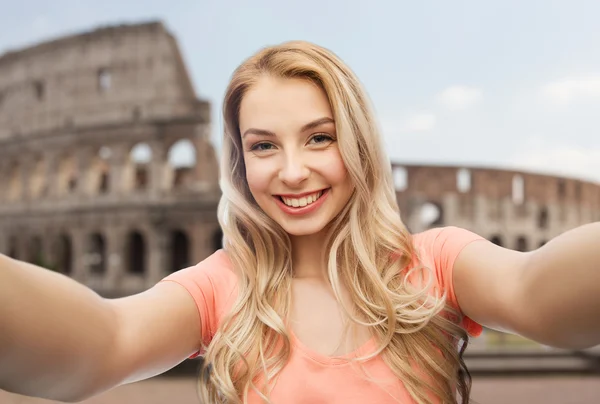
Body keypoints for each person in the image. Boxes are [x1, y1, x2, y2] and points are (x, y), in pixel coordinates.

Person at [1, 41, 599, 404]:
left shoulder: (435, 262)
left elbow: (537, 296)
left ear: (360, 143)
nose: (292, 171)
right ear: (238, 162)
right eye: (263, 146)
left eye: (319, 138)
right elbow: (101, 343)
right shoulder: (225, 285)